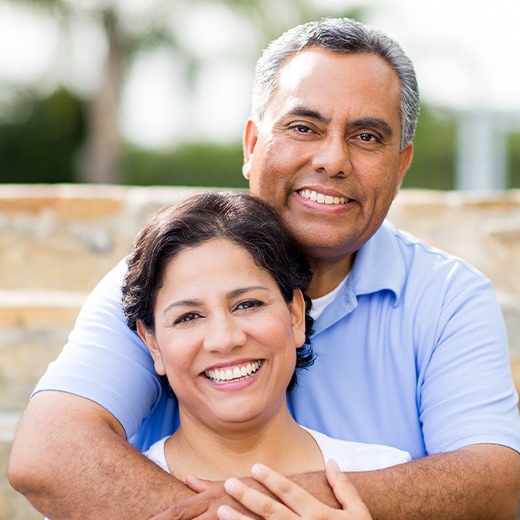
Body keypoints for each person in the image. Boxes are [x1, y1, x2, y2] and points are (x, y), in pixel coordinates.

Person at [8, 16, 520, 520]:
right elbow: (49, 453)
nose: (332, 159)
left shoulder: (448, 296)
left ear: (402, 163)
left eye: (366, 137)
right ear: (252, 145)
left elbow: (494, 481)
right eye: (303, 127)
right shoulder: (161, 279)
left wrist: (287, 500)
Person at [122, 190, 409, 518]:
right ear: (153, 344)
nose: (225, 339)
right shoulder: (95, 503)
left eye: (247, 305)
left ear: (296, 316)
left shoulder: (385, 469)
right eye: (188, 317)